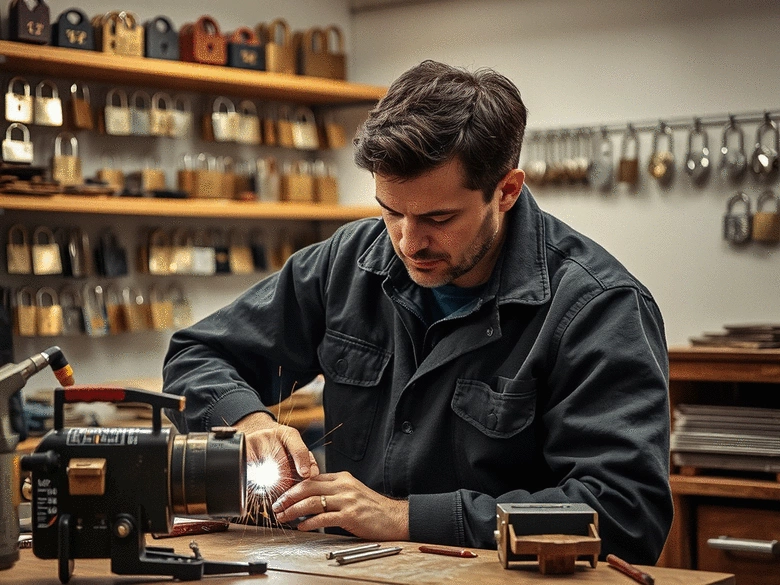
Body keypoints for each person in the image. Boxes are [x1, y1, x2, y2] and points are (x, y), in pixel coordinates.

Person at [162, 60, 673, 564]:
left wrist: (405, 518)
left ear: (507, 191)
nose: (409, 242)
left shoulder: (597, 307)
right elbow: (196, 354)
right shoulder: (349, 261)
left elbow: (625, 515)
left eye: (438, 217)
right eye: (390, 211)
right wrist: (248, 423)